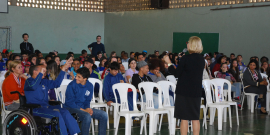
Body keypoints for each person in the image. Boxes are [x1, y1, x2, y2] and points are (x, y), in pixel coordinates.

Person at [24, 58, 81, 134]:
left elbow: (56, 83)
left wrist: (63, 69)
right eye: (43, 70)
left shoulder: (44, 81)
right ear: (35, 72)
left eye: (45, 70)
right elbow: (34, 86)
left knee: (64, 111)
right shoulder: (28, 81)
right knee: (56, 114)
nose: (45, 72)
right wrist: (40, 74)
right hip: (36, 109)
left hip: (47, 107)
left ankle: (75, 133)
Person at [164, 36, 204, 135]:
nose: (187, 44)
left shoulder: (186, 58)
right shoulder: (202, 59)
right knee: (195, 118)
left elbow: (177, 73)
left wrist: (169, 63)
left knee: (184, 118)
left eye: (188, 42)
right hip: (196, 91)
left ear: (192, 44)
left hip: (184, 91)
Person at [64, 67, 107, 135]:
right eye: (76, 76)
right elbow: (69, 103)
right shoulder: (71, 85)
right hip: (70, 109)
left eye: (79, 77)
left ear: (85, 79)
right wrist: (84, 110)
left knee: (104, 115)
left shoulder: (90, 86)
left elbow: (87, 100)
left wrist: (87, 108)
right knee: (86, 116)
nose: (76, 78)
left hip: (83, 108)